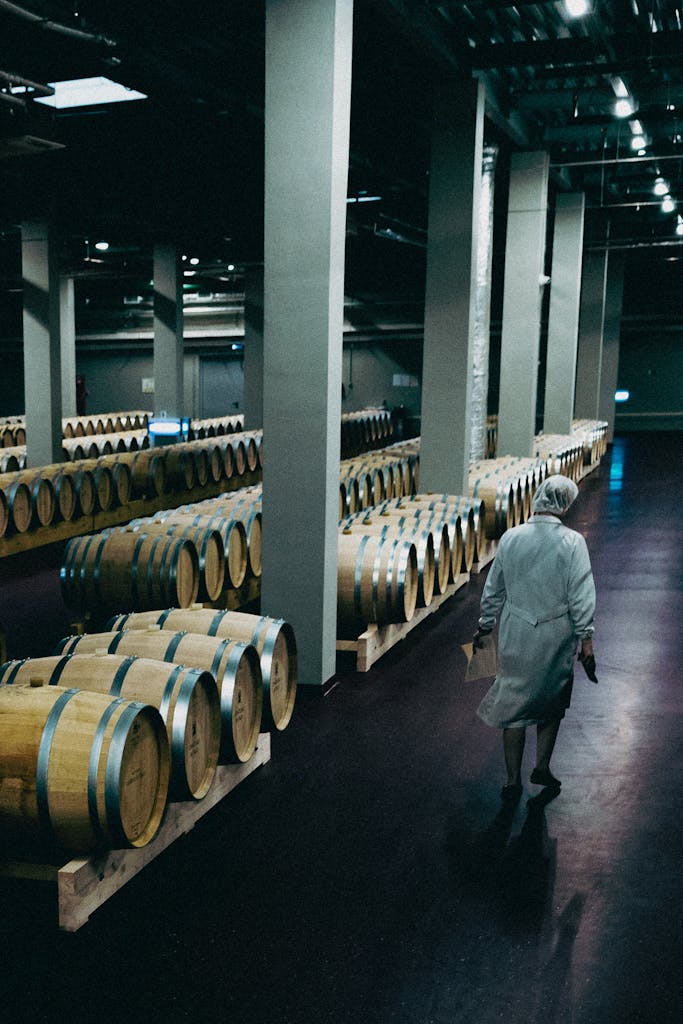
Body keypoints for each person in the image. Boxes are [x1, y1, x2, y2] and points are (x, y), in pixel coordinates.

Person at [472, 474, 597, 803]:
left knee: (513, 702)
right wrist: (586, 638)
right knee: (551, 701)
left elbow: (494, 588)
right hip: (556, 633)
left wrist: (485, 625)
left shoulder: (511, 538)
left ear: (538, 496)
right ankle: (541, 766)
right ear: (566, 503)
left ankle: (512, 781)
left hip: (516, 628)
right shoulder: (572, 542)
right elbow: (581, 594)